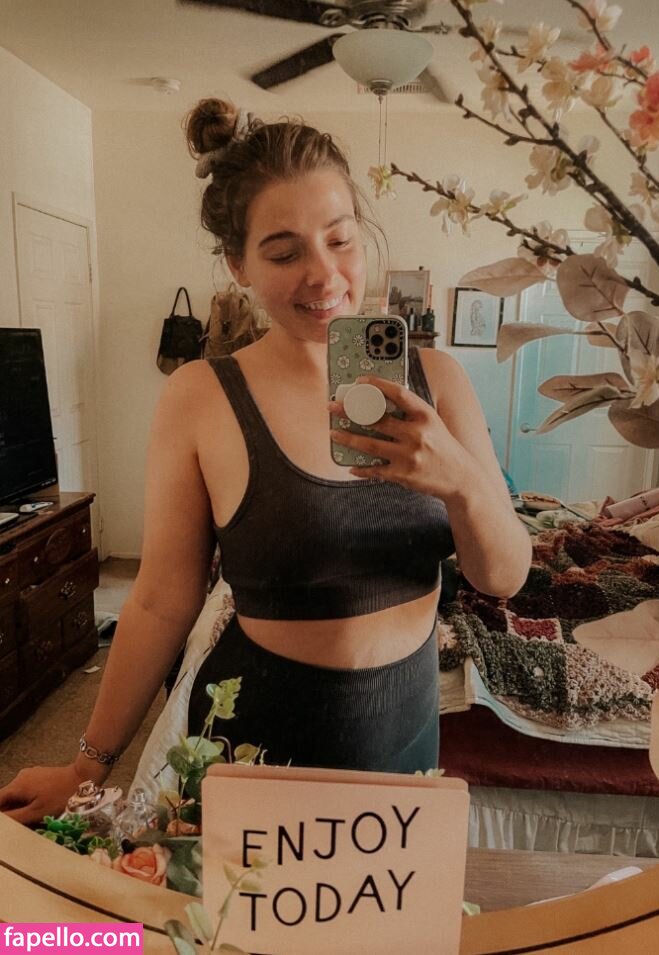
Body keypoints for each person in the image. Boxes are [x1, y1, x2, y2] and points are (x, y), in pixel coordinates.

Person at [0, 99, 532, 825]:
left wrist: (461, 481)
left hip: (404, 734)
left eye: (340, 240)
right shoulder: (201, 396)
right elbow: (161, 598)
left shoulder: (437, 381)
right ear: (238, 263)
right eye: (284, 253)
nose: (324, 274)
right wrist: (86, 766)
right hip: (254, 739)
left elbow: (503, 576)